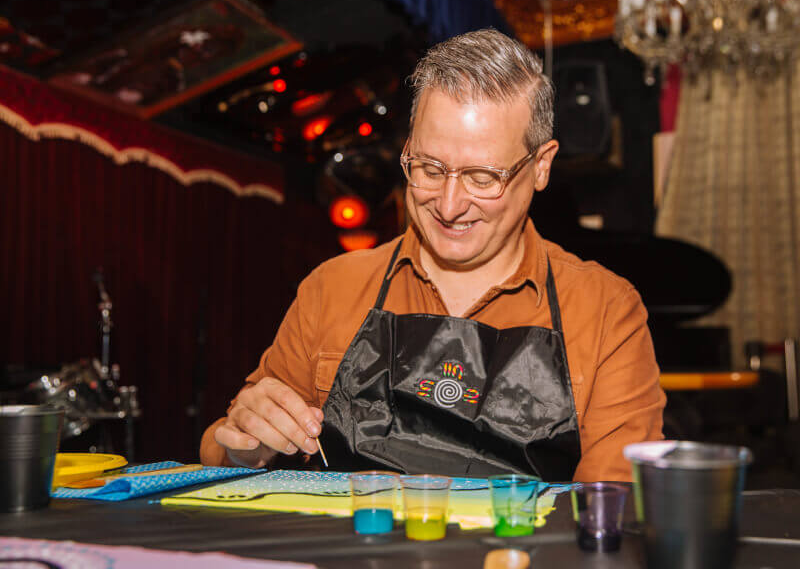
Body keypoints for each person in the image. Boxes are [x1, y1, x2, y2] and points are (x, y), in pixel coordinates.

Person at [200, 28, 665, 481]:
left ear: (540, 166)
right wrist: (248, 444)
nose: (448, 205)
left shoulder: (606, 310)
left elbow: (613, 509)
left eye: (483, 178)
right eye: (428, 168)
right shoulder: (331, 287)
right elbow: (222, 446)